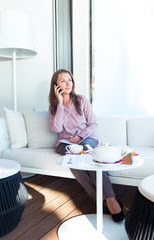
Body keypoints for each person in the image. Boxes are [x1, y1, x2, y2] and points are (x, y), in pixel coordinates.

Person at [48, 69, 125, 222]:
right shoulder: (54, 107)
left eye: (69, 80)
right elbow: (56, 129)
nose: (68, 83)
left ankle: (110, 199)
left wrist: (81, 136)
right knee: (73, 160)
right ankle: (100, 199)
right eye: (63, 81)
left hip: (87, 139)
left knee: (93, 157)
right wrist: (61, 104)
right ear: (56, 85)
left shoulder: (82, 100)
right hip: (65, 143)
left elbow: (93, 123)